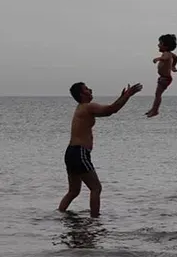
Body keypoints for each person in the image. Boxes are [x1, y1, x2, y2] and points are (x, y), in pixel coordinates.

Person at [58, 81, 142, 216]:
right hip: (79, 153)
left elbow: (111, 108)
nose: (90, 90)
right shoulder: (87, 107)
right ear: (81, 94)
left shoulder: (81, 108)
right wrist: (128, 95)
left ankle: (59, 214)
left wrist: (122, 98)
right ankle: (95, 220)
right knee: (96, 188)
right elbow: (111, 110)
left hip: (71, 152)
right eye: (86, 89)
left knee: (73, 191)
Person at [145, 34, 177, 117]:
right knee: (157, 95)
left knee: (158, 95)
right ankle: (153, 109)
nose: (158, 45)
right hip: (163, 78)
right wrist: (173, 66)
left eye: (160, 43)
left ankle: (155, 110)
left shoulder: (167, 54)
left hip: (165, 79)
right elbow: (176, 57)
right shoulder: (170, 54)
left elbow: (165, 58)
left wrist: (158, 59)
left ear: (166, 46)